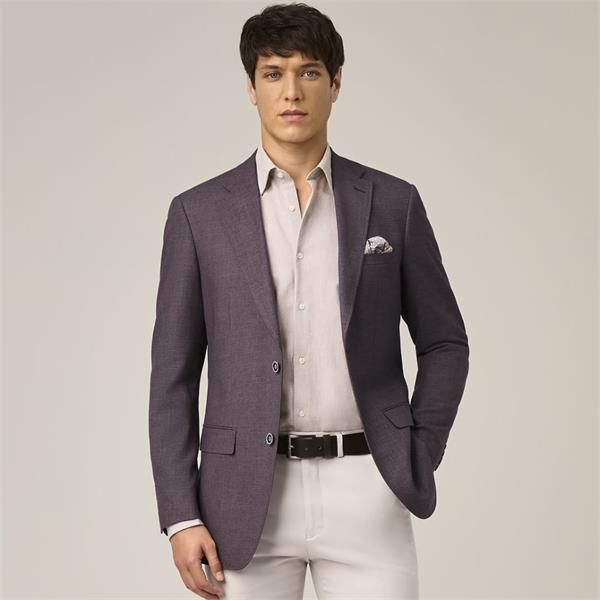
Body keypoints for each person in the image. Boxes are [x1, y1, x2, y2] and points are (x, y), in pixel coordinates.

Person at [149, 3, 469, 599]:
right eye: (273, 73)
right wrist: (181, 514)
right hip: (242, 498)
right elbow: (173, 373)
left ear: (336, 83)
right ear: (251, 87)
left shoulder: (392, 202)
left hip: (369, 487)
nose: (291, 91)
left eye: (309, 72)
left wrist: (417, 450)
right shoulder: (199, 214)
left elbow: (446, 341)